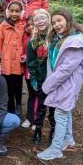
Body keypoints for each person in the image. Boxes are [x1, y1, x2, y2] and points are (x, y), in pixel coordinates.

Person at [37, 9, 83, 161]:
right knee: (65, 110)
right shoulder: (61, 38)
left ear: (68, 20)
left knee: (60, 114)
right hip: (63, 83)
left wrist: (47, 85)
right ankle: (68, 139)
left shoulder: (75, 42)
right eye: (54, 22)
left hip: (68, 83)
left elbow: (65, 70)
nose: (56, 25)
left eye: (59, 21)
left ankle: (56, 149)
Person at [26, 9, 55, 145]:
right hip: (42, 78)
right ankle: (38, 129)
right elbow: (31, 62)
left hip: (56, 78)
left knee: (54, 106)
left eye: (43, 18)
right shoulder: (33, 41)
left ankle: (53, 131)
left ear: (49, 19)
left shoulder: (56, 37)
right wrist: (33, 77)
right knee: (42, 105)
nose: (41, 21)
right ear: (34, 23)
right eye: (37, 19)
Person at [0, 1, 25, 115]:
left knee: (18, 85)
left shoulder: (23, 26)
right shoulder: (2, 26)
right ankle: (10, 106)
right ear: (8, 12)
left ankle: (18, 104)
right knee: (7, 87)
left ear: (21, 13)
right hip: (6, 63)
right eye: (12, 11)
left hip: (18, 63)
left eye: (17, 11)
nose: (14, 13)